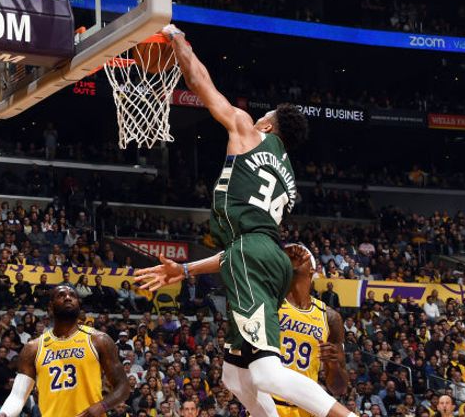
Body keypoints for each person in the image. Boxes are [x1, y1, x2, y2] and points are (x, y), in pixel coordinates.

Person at [135, 25, 354, 417]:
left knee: (266, 374)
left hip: (252, 252)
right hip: (263, 255)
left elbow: (200, 82)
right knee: (234, 377)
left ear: (268, 125)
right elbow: (239, 253)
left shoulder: (248, 131)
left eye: (264, 115)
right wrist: (184, 269)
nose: (257, 118)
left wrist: (177, 41)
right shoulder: (287, 176)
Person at [0, 286, 130, 417]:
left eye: (72, 296)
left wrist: (101, 406)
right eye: (61, 295)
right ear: (50, 307)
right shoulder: (33, 348)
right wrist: (3, 414)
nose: (68, 298)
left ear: (79, 304)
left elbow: (123, 386)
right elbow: (18, 395)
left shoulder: (99, 340)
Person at [274, 244, 348, 417]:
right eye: (289, 255)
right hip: (266, 405)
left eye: (301, 254)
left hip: (305, 409)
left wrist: (333, 365)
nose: (295, 255)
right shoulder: (270, 302)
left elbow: (339, 388)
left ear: (312, 269)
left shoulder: (330, 318)